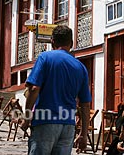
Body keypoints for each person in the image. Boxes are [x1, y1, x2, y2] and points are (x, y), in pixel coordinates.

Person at [20, 25, 92, 154]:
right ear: (71, 43)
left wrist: (26, 117)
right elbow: (85, 105)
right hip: (68, 125)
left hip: (45, 121)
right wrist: (83, 134)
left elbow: (34, 88)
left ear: (52, 41)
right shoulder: (81, 67)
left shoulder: (45, 58)